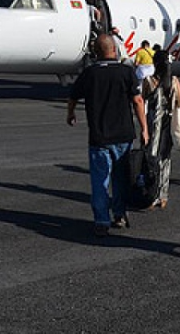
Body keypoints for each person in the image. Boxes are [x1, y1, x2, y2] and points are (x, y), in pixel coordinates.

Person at [67, 34, 149, 237]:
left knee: (99, 180)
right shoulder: (126, 72)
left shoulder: (89, 73)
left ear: (96, 52)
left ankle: (101, 221)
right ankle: (119, 214)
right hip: (123, 135)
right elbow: (138, 101)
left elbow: (73, 96)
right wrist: (144, 128)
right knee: (120, 178)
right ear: (114, 50)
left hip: (99, 136)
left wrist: (71, 113)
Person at [141, 49, 180, 209]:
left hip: (153, 124)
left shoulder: (149, 81)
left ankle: (150, 193)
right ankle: (163, 195)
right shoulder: (174, 81)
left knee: (150, 159)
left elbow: (141, 100)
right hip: (168, 123)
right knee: (165, 159)